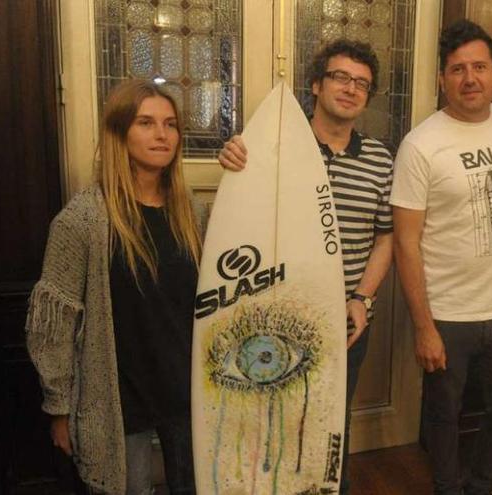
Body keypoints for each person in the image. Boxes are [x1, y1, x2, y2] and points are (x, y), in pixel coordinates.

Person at [217, 39, 394, 495]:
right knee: (265, 423)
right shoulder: (270, 151)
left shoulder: (379, 160)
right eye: (340, 77)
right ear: (315, 84)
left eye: (362, 83)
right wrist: (234, 161)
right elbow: (241, 221)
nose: (351, 89)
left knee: (330, 423)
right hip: (275, 319)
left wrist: (363, 299)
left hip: (345, 320)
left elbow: (386, 237)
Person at [26, 79, 203, 494]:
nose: (162, 135)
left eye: (171, 124)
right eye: (146, 123)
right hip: (120, 399)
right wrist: (59, 409)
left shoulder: (190, 212)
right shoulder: (83, 220)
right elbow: (54, 325)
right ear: (119, 132)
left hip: (187, 389)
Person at [390, 20, 492, 495]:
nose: (469, 78)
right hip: (448, 314)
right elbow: (406, 241)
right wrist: (424, 326)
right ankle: (448, 488)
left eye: (478, 67)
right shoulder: (420, 145)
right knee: (443, 415)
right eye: (457, 69)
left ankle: (481, 483)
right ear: (442, 78)